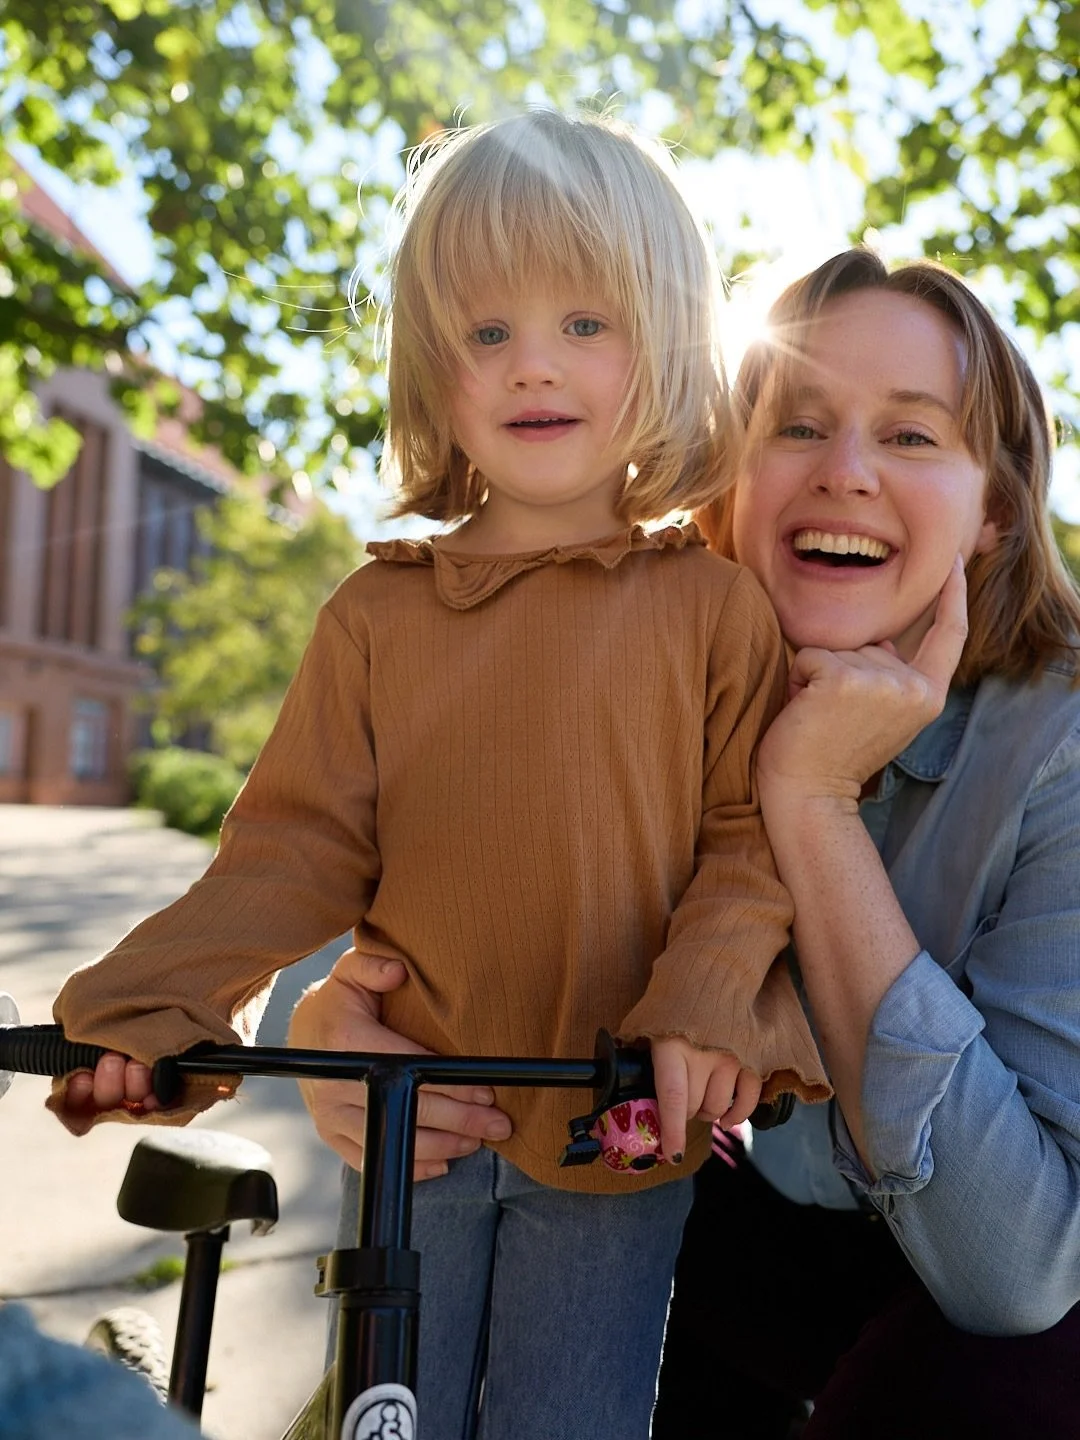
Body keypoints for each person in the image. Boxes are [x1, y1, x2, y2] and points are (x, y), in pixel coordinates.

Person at [48, 110, 828, 1440]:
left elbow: (750, 838)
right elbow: (292, 849)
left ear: (666, 342)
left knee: (564, 1422)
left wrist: (700, 1001)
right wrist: (153, 1001)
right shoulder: (379, 616)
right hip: (420, 1125)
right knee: (391, 1414)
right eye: (488, 332)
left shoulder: (713, 608)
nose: (535, 366)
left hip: (615, 1128)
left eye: (587, 322)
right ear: (435, 363)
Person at [307, 245, 1080, 1439]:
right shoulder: (626, 665)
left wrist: (813, 800)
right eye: (797, 425)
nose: (848, 474)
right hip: (729, 1219)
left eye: (914, 437)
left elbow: (1014, 1271)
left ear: (992, 510)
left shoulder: (1058, 742)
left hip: (991, 1296)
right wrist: (339, 1028)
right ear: (722, 479)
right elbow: (414, 888)